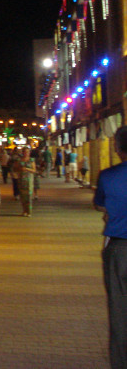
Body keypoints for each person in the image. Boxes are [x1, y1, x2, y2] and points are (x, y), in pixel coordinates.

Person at [93, 125, 127, 369]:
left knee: (119, 313)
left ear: (117, 148)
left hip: (119, 250)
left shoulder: (108, 175)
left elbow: (99, 205)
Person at [19, 147, 37, 217]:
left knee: (29, 196)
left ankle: (29, 211)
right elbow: (16, 168)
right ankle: (24, 210)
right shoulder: (20, 160)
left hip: (29, 180)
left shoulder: (31, 160)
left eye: (27, 152)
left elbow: (34, 170)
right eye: (24, 152)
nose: (26, 153)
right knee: (23, 196)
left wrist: (27, 169)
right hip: (21, 179)